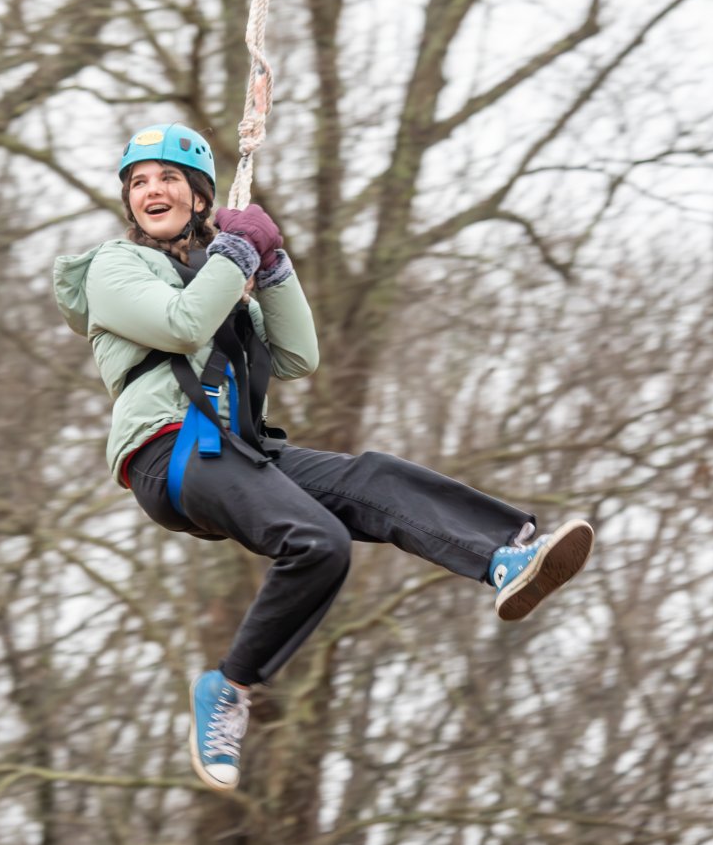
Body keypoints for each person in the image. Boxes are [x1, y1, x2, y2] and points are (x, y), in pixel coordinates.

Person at [53, 123, 594, 791]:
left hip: (231, 445)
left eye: (167, 178)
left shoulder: (220, 273)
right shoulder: (116, 266)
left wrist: (271, 264)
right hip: (170, 450)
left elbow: (296, 354)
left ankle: (504, 554)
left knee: (371, 477)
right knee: (319, 542)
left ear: (199, 196)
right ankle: (228, 687)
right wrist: (235, 254)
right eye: (139, 182)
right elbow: (182, 325)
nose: (151, 190)